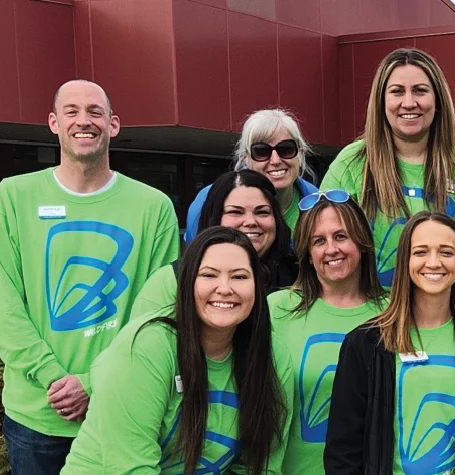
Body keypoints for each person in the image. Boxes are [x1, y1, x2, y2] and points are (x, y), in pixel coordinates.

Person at [0, 79, 181, 475]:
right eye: (72, 111)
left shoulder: (154, 207)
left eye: (95, 112)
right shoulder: (12, 197)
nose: (84, 121)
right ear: (54, 123)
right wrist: (54, 378)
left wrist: (93, 382)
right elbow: (4, 306)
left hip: (124, 407)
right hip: (36, 414)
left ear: (114, 125)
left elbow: (159, 313)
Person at [63, 227, 284, 474]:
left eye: (240, 277)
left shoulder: (271, 353)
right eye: (209, 275)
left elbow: (260, 466)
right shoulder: (148, 345)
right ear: (187, 283)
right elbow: (132, 467)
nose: (225, 288)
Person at [327, 212, 455, 474]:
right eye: (421, 252)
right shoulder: (365, 343)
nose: (433, 262)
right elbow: (343, 450)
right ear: (406, 261)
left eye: (446, 252)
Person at [322, 48, 455, 287]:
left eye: (420, 91)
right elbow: (322, 241)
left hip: (446, 311)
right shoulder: (351, 163)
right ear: (381, 101)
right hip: (373, 313)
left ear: (437, 100)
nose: (409, 103)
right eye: (397, 92)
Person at [266, 193, 388, 474]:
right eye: (319, 241)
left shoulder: (395, 311)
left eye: (341, 236)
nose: (331, 249)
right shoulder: (276, 309)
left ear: (362, 243)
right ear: (307, 254)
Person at [134, 170, 297, 319]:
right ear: (214, 218)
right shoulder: (171, 281)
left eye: (262, 212)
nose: (250, 222)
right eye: (235, 212)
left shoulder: (302, 277)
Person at [186, 109, 321, 242]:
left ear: (301, 154)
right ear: (246, 158)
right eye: (261, 151)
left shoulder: (319, 204)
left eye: (286, 149)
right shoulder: (208, 202)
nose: (275, 161)